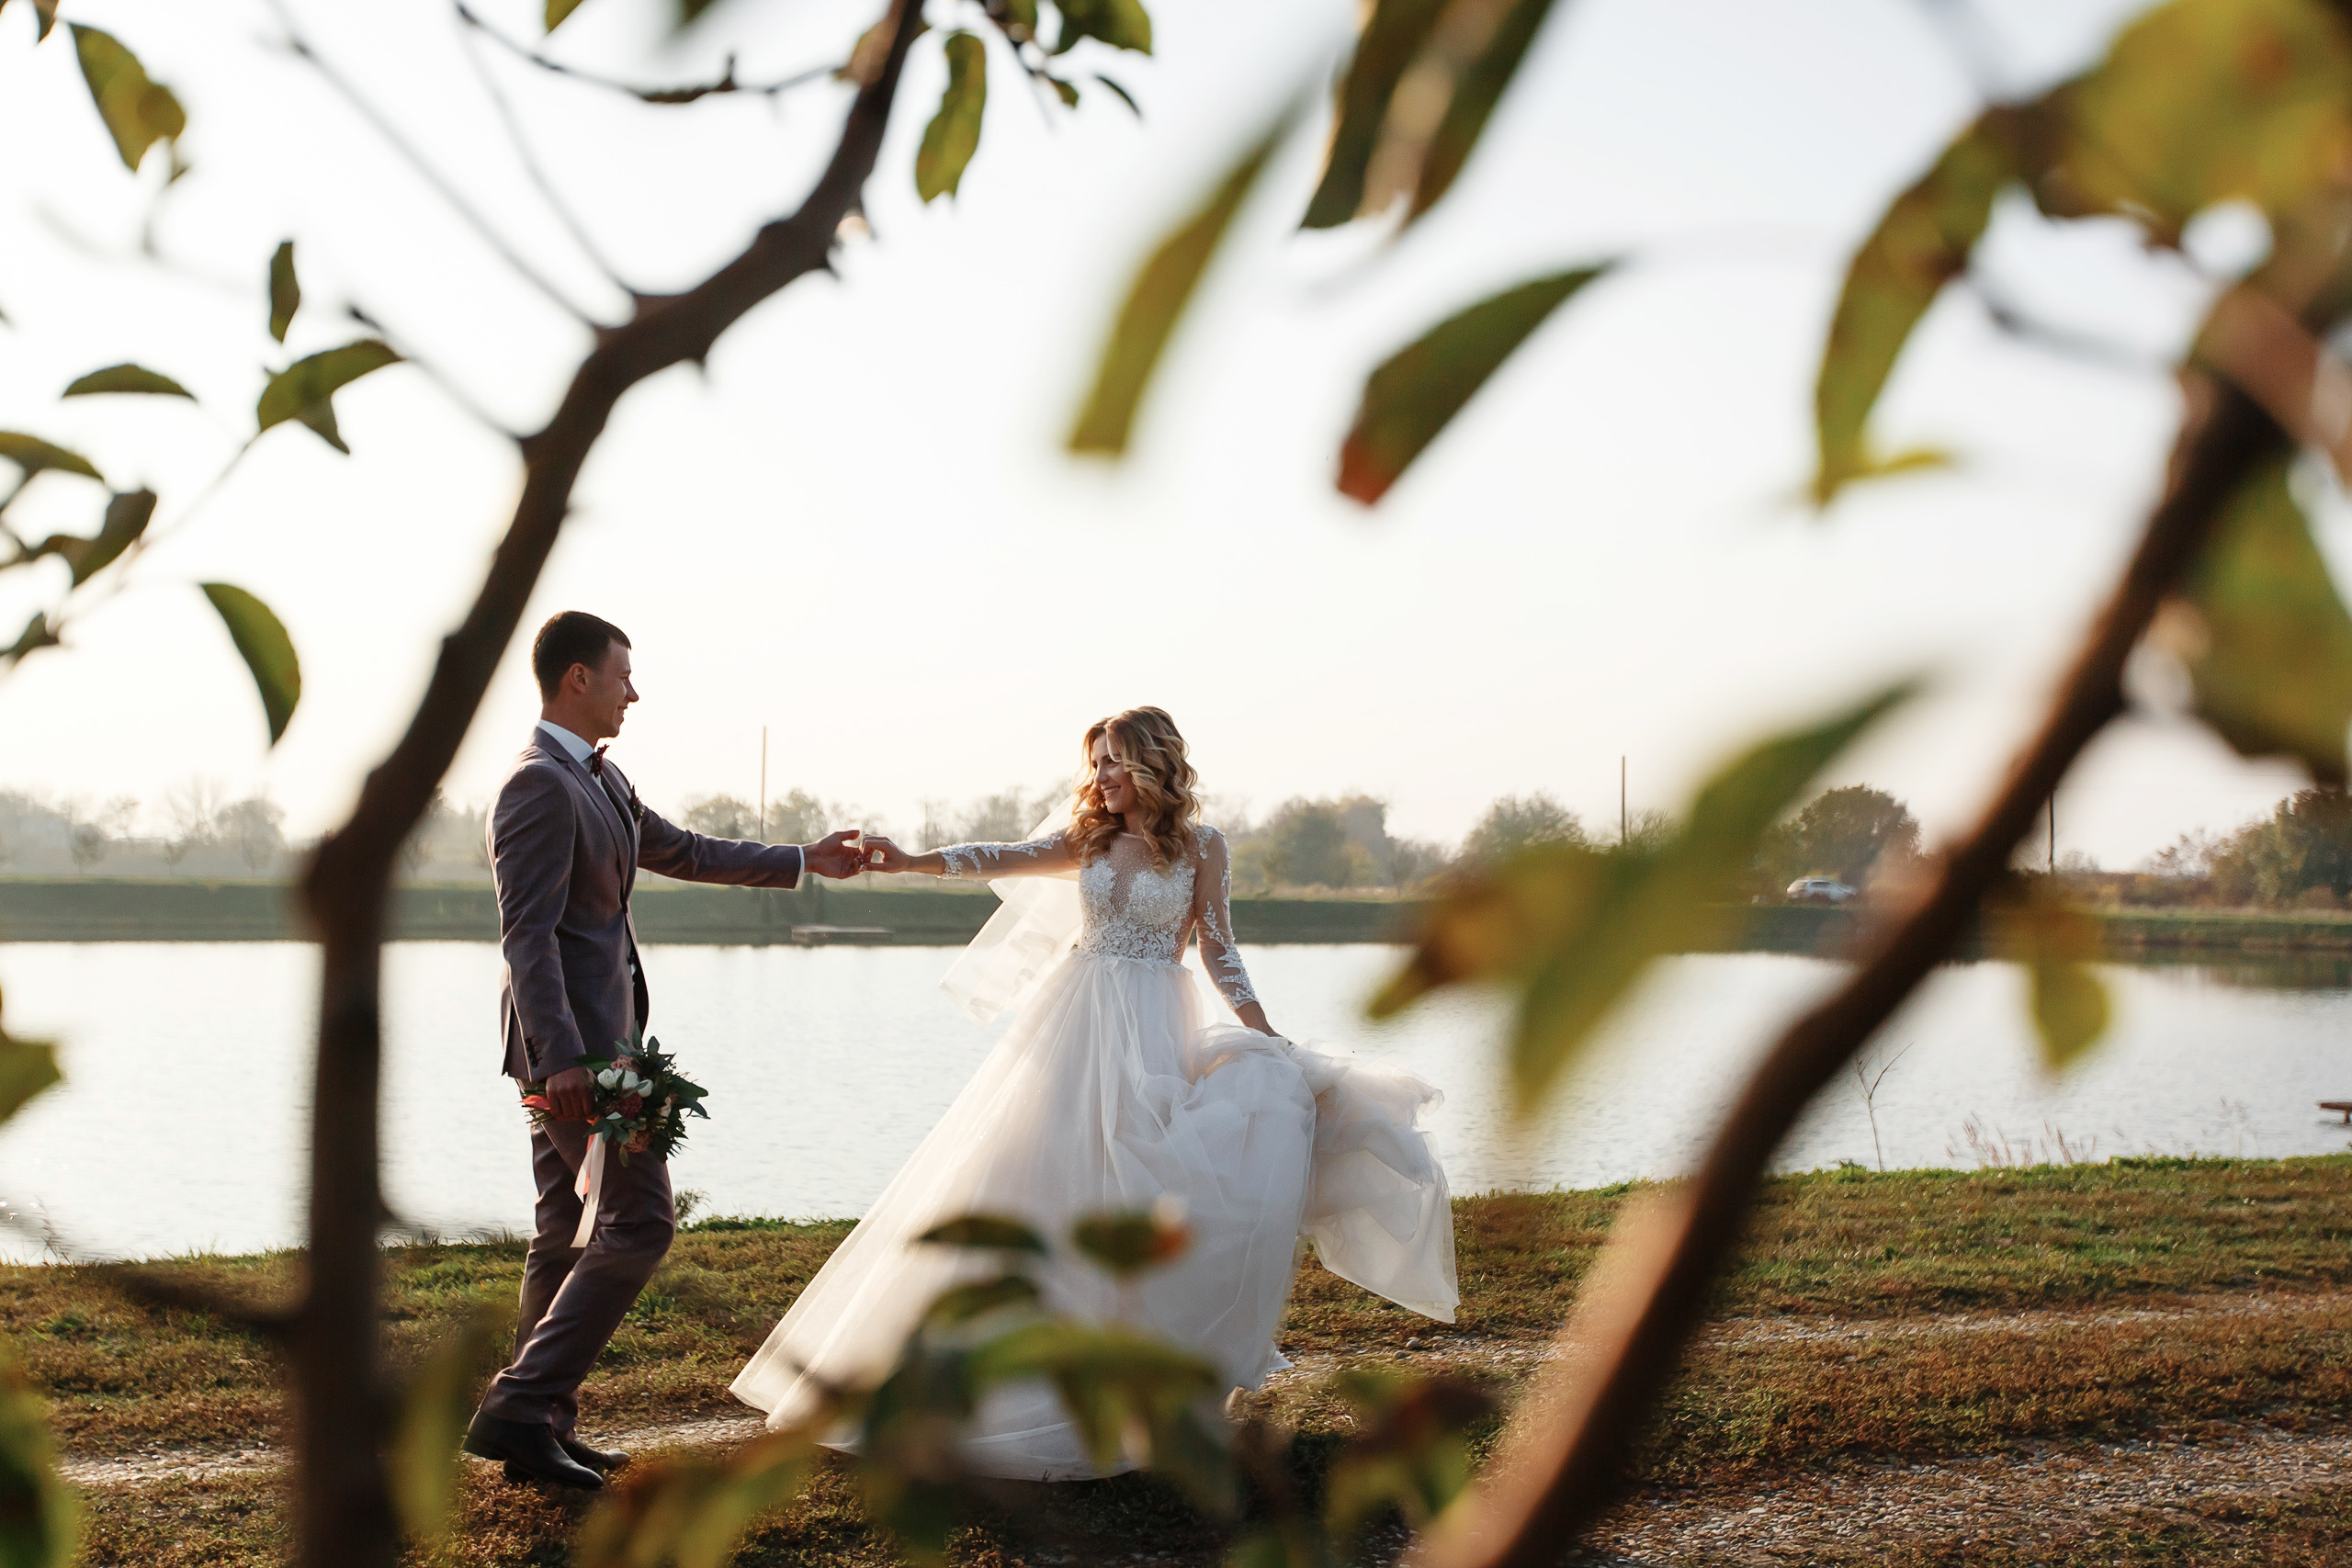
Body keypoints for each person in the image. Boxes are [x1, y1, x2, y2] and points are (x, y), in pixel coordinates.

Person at [729, 706, 1456, 1478]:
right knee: (1037, 1180)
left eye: (1115, 761)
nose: (1102, 777)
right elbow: (998, 856)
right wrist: (907, 860)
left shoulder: (1204, 847)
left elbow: (1220, 948)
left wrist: (1265, 1030)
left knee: (1146, 1187)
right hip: (1076, 1022)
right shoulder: (1089, 839)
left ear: (1153, 764)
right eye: (1097, 762)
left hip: (1154, 1025)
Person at [462, 610, 864, 1490]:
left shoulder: (601, 780)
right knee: (641, 1222)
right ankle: (520, 1403)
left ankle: (538, 1429)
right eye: (622, 676)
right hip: (573, 1057)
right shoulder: (536, 787)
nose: (632, 692)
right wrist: (565, 1057)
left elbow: (683, 849)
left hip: (600, 1046)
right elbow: (525, 935)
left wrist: (805, 859)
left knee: (563, 1230)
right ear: (577, 679)